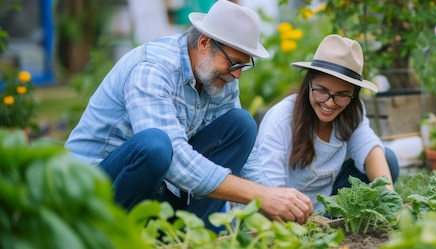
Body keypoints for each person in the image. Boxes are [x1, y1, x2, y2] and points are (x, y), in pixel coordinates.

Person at [64, 0, 312, 231]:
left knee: (242, 126)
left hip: (154, 187)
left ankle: (189, 236)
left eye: (243, 65)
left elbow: (245, 156)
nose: (237, 75)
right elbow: (175, 160)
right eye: (234, 63)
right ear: (204, 43)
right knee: (156, 145)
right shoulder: (153, 69)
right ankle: (113, 235)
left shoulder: (219, 75)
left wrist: (277, 200)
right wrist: (260, 196)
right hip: (94, 187)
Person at [250, 34, 400, 212]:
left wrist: (391, 205)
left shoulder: (351, 110)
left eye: (342, 95)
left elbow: (369, 148)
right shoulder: (281, 119)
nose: (329, 103)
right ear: (309, 83)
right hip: (285, 210)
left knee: (386, 159)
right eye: (322, 91)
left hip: (328, 208)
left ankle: (336, 220)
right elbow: (270, 189)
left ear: (353, 94)